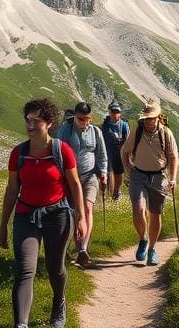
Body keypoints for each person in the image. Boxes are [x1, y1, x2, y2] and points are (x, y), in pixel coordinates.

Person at [0, 99, 87, 328]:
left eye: (36, 120)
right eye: (28, 119)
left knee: (55, 268)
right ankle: (21, 324)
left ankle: (59, 302)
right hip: (26, 215)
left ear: (49, 123)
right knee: (25, 269)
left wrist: (81, 217)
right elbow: (11, 190)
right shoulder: (18, 153)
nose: (30, 124)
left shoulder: (61, 150)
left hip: (57, 215)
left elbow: (75, 184)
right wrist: (3, 226)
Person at [120, 101, 178, 266]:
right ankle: (143, 239)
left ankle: (152, 249)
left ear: (158, 117)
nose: (147, 121)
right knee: (138, 210)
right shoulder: (137, 131)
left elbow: (173, 157)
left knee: (155, 214)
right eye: (146, 118)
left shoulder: (166, 133)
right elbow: (124, 152)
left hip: (158, 177)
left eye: (151, 118)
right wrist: (128, 170)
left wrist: (173, 178)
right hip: (138, 175)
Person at [56, 101, 107, 265]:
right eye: (81, 119)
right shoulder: (65, 131)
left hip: (89, 175)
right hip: (69, 177)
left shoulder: (95, 132)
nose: (84, 122)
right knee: (72, 212)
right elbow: (57, 152)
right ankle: (76, 247)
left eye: (87, 119)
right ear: (75, 117)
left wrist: (104, 173)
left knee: (86, 207)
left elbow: (101, 154)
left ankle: (83, 248)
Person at [101, 100, 130, 201]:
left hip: (119, 152)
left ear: (120, 113)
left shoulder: (124, 125)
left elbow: (128, 140)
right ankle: (107, 193)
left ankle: (117, 191)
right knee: (107, 172)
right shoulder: (105, 125)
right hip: (107, 151)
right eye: (113, 112)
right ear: (109, 112)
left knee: (119, 172)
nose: (115, 114)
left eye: (117, 112)